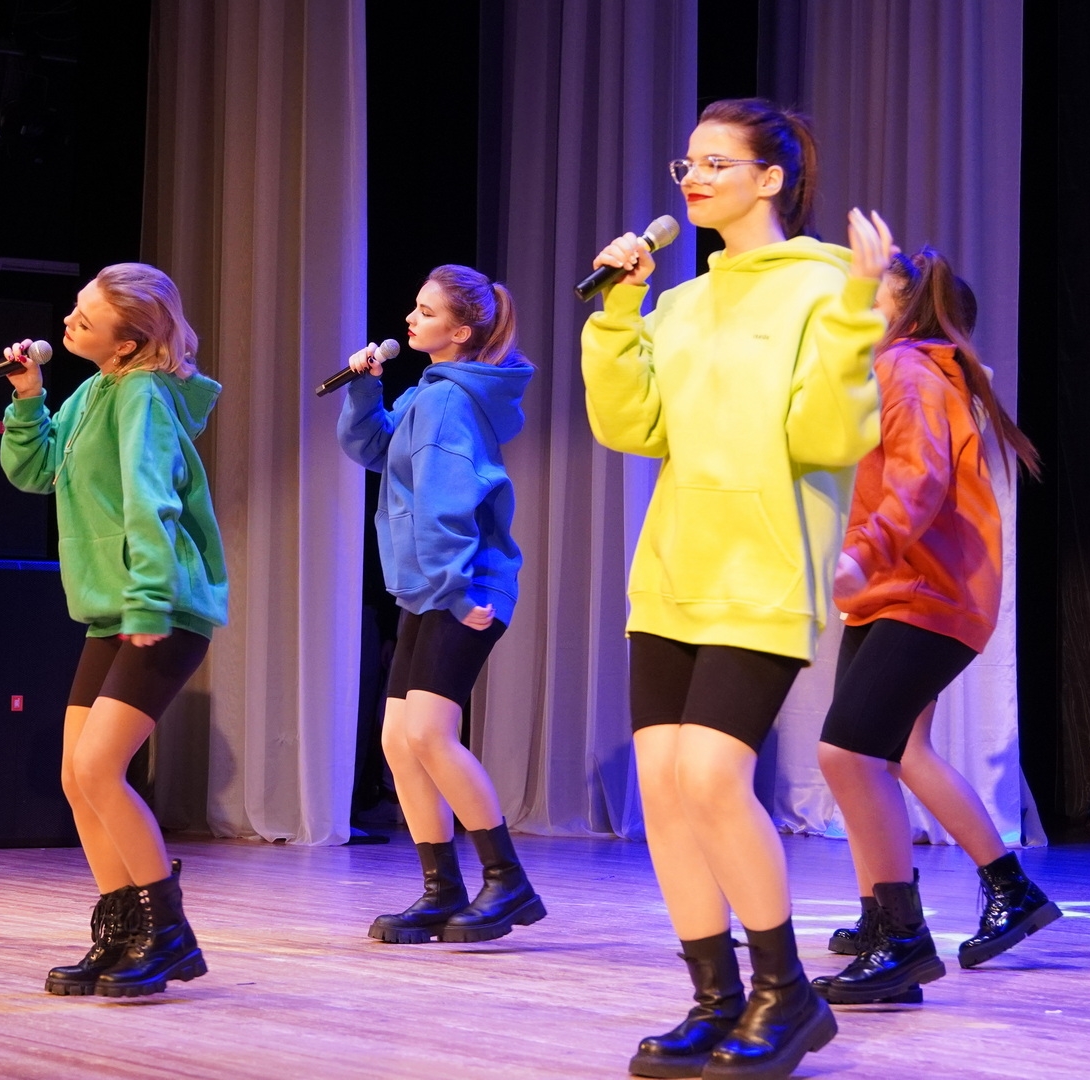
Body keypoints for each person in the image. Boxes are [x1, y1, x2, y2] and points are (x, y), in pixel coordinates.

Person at [582, 98, 893, 1079]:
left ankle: (784, 992)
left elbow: (827, 435)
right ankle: (715, 996)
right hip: (674, 567)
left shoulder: (824, 287)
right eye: (689, 162)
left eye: (718, 162)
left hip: (764, 567)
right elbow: (631, 427)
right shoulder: (680, 303)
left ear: (771, 179)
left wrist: (859, 315)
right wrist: (618, 313)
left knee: (715, 776)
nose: (694, 178)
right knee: (664, 787)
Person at [810, 248, 1057, 1006]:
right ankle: (943, 903)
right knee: (892, 754)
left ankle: (901, 934)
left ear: (905, 309)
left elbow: (920, 480)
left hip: (921, 592)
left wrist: (863, 552)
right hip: (902, 591)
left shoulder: (909, 369)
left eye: (872, 294)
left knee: (850, 754)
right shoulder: (916, 370)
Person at [0, 263, 228, 998]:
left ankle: (167, 932)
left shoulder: (142, 396)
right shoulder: (95, 390)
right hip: (114, 609)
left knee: (100, 768)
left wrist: (150, 601)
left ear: (127, 343)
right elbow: (36, 471)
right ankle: (121, 929)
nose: (69, 321)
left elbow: (150, 500)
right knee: (77, 776)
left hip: (160, 607)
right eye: (75, 308)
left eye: (87, 317)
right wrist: (28, 399)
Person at [337, 265, 542, 947]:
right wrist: (364, 388)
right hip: (432, 586)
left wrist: (455, 589)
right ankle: (440, 888)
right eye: (415, 308)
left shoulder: (449, 401)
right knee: (399, 737)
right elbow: (372, 447)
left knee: (428, 733)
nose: (410, 319)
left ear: (460, 332)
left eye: (426, 312)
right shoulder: (429, 392)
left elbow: (447, 502)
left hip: (465, 584)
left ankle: (506, 880)